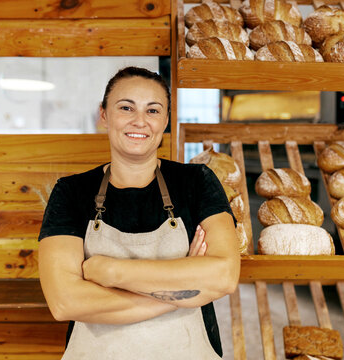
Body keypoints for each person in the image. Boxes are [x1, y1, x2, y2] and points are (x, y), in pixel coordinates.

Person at [38, 66, 240, 359]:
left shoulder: (196, 181)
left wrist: (110, 271)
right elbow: (65, 302)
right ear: (104, 114)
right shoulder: (72, 191)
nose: (140, 121)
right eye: (126, 107)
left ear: (166, 120)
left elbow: (223, 276)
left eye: (153, 111)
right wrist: (183, 292)